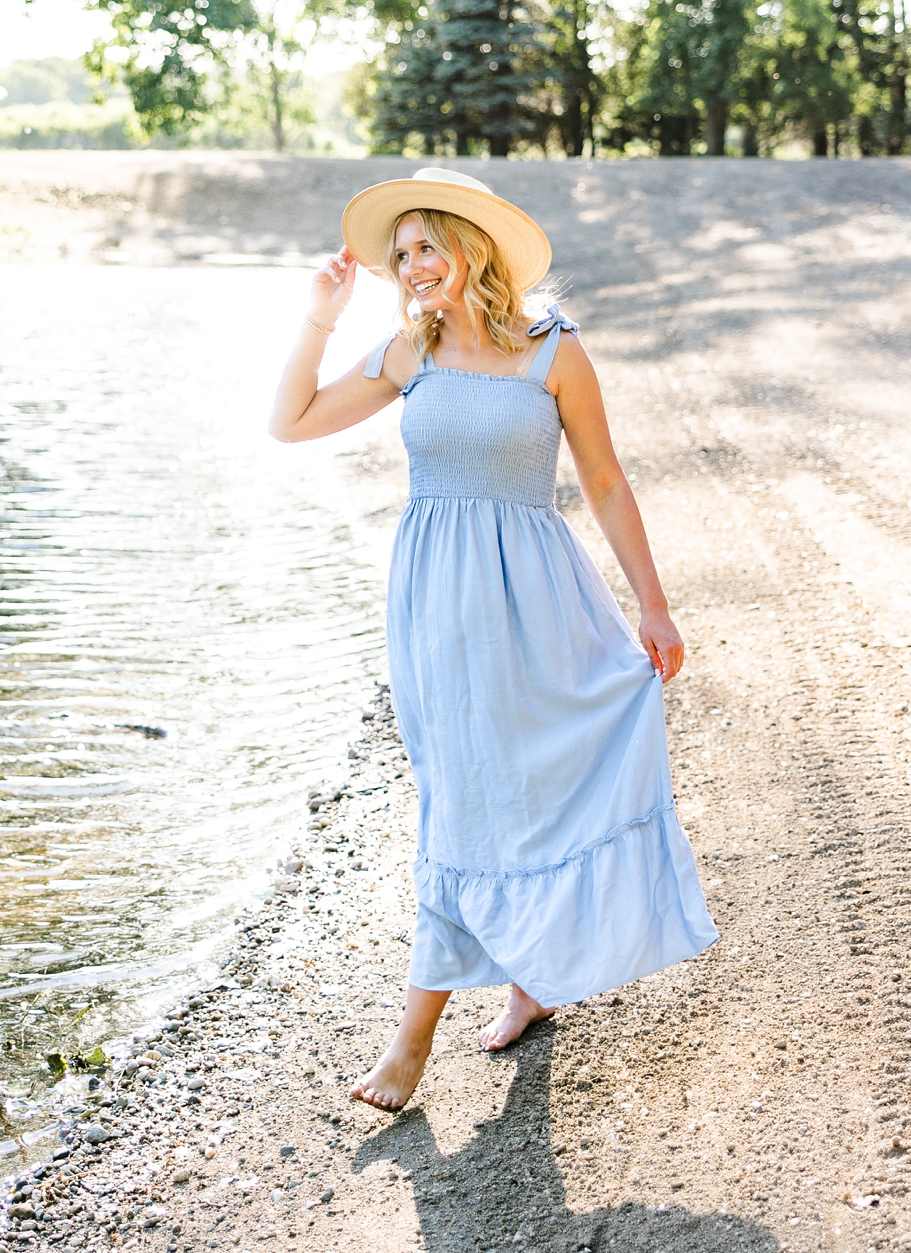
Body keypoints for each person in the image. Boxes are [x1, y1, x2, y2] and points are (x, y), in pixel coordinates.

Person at [268, 168, 716, 1109]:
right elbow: (292, 423)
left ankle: (523, 984)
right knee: (462, 797)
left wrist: (654, 605)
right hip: (438, 608)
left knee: (535, 779)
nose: (413, 266)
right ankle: (416, 1037)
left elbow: (604, 481)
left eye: (427, 245)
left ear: (474, 249)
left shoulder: (554, 352)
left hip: (542, 599)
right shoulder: (408, 354)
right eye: (401, 254)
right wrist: (321, 315)